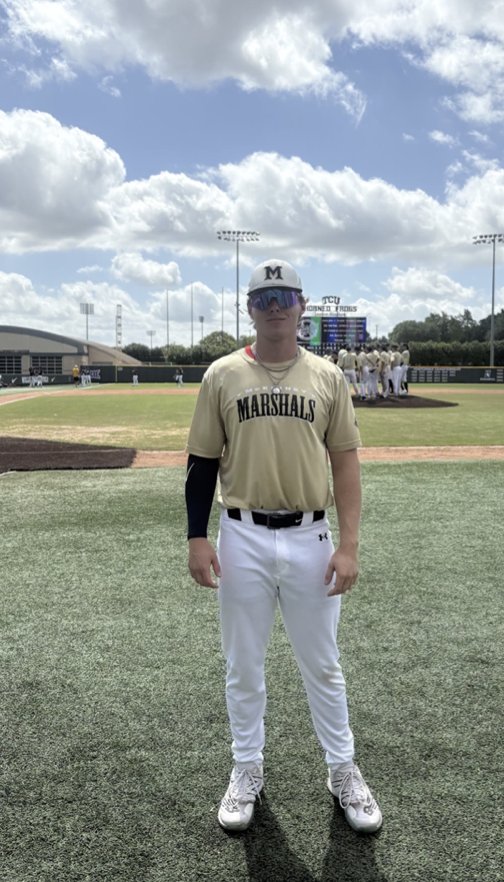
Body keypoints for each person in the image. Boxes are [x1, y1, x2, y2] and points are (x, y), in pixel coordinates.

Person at [185, 258, 382, 835]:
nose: (275, 307)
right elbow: (200, 465)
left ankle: (342, 770)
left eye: (284, 297)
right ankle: (246, 769)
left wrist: (349, 544)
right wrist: (198, 537)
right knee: (243, 666)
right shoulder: (221, 374)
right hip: (240, 534)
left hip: (310, 536)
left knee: (322, 664)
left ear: (302, 305)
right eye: (264, 298)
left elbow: (344, 465)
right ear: (250, 308)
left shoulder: (326, 375)